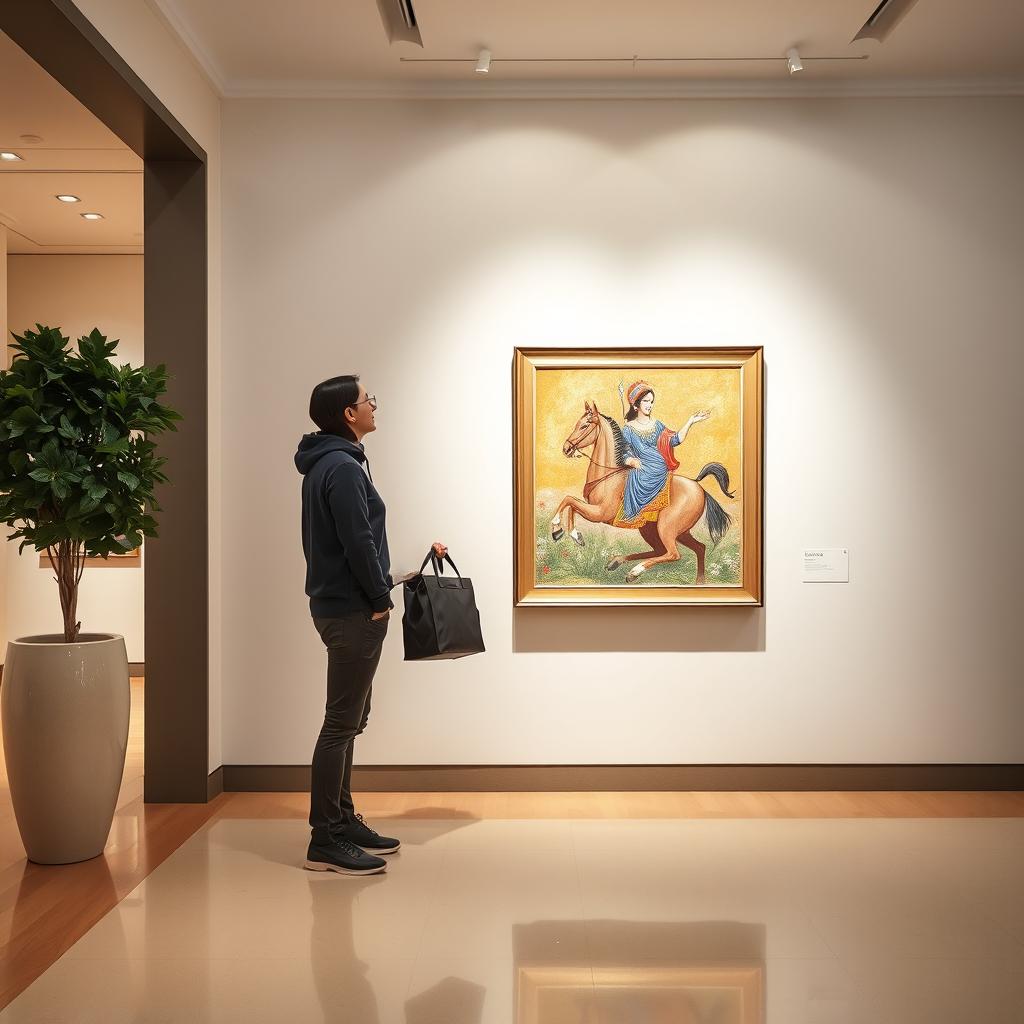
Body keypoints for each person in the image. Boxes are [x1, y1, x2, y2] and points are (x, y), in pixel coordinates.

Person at [295, 374, 446, 876]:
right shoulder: (340, 467)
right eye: (367, 400)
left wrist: (393, 576)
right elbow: (357, 540)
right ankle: (326, 838)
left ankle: (342, 820)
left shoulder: (334, 463)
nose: (373, 405)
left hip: (344, 604)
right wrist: (380, 598)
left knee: (350, 721)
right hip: (351, 610)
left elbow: (354, 543)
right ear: (348, 415)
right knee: (340, 724)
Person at [614, 379, 710, 527]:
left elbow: (675, 439)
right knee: (627, 474)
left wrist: (691, 421)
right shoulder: (628, 429)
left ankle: (632, 513)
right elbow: (624, 452)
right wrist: (630, 461)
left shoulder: (657, 425)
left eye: (651, 402)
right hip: (641, 466)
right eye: (646, 401)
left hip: (657, 467)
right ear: (635, 405)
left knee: (633, 476)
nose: (649, 405)